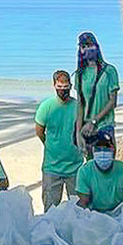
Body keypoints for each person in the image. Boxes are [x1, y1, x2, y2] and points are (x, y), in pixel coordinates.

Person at [34, 69, 83, 208]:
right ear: (54, 86)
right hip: (52, 167)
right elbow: (39, 131)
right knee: (50, 210)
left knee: (78, 211)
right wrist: (50, 145)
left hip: (75, 167)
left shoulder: (78, 107)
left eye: (66, 87)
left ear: (71, 86)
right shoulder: (46, 107)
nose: (63, 90)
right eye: (59, 87)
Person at [75, 130, 123, 214]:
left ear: (113, 150)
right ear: (93, 150)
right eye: (98, 149)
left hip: (119, 215)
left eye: (106, 149)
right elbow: (83, 202)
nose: (102, 153)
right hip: (94, 215)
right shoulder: (85, 171)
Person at [73, 30, 119, 145]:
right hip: (86, 129)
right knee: (90, 162)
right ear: (80, 50)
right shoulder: (79, 75)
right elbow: (80, 105)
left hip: (105, 126)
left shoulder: (109, 71)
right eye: (83, 46)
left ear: (96, 47)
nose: (87, 49)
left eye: (90, 45)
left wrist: (94, 122)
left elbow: (112, 102)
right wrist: (78, 132)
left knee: (106, 162)